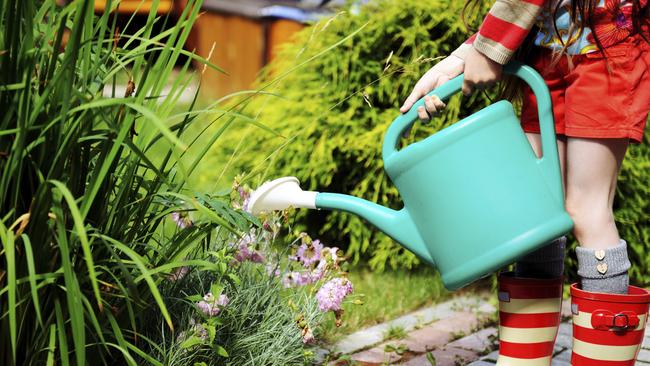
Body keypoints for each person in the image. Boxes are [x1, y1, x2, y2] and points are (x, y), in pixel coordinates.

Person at [401, 1, 650, 365]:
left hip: (609, 48)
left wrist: (484, 50)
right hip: (549, 51)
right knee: (537, 207)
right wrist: (465, 55)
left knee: (587, 209)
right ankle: (525, 360)